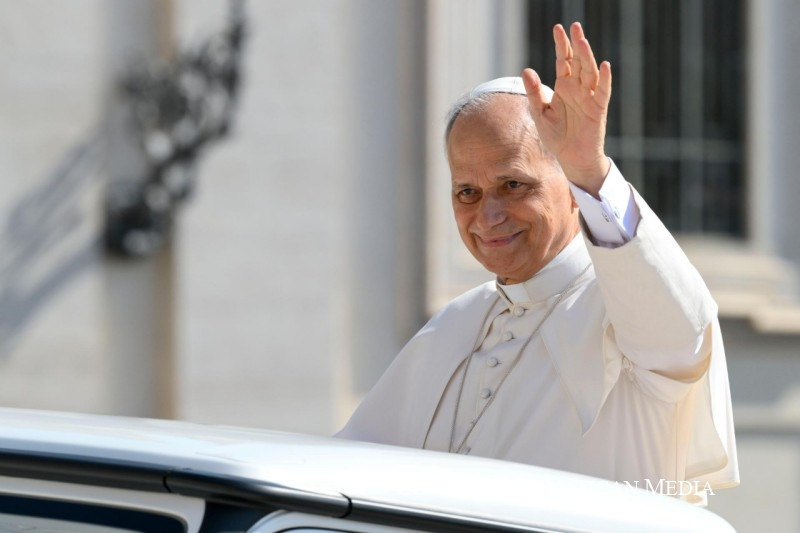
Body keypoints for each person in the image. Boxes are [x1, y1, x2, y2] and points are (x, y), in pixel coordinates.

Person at [337, 22, 739, 502]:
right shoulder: (454, 324)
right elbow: (348, 473)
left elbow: (684, 331)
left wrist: (590, 171)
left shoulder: (624, 310)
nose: (488, 216)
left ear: (570, 190)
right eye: (467, 192)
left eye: (513, 185)